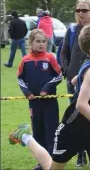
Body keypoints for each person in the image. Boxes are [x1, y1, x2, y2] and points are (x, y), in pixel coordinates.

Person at [8, 23, 90, 170]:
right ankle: (26, 137)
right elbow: (81, 104)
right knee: (49, 167)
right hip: (71, 131)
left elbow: (74, 81)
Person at [60, 0, 90, 167]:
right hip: (73, 82)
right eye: (78, 10)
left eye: (84, 10)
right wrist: (67, 70)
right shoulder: (72, 31)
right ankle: (80, 154)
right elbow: (63, 52)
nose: (81, 14)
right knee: (76, 119)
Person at [17, 29, 62, 170]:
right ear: (31, 42)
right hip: (34, 102)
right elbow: (20, 79)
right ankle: (41, 162)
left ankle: (51, 162)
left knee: (51, 130)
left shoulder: (50, 58)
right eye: (38, 41)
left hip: (49, 102)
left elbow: (59, 76)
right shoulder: (25, 60)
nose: (41, 44)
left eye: (44, 41)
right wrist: (27, 92)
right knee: (38, 130)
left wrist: (46, 88)